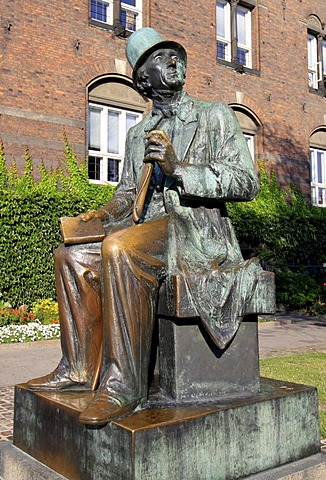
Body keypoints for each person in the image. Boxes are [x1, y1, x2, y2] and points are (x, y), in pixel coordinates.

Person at [27, 28, 262, 426]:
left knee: (120, 249)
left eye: (175, 55)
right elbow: (126, 196)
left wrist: (179, 169)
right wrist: (98, 217)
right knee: (70, 255)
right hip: (147, 231)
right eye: (160, 57)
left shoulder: (213, 115)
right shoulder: (137, 134)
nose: (173, 61)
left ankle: (123, 387)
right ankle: (80, 369)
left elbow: (246, 182)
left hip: (193, 233)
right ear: (142, 80)